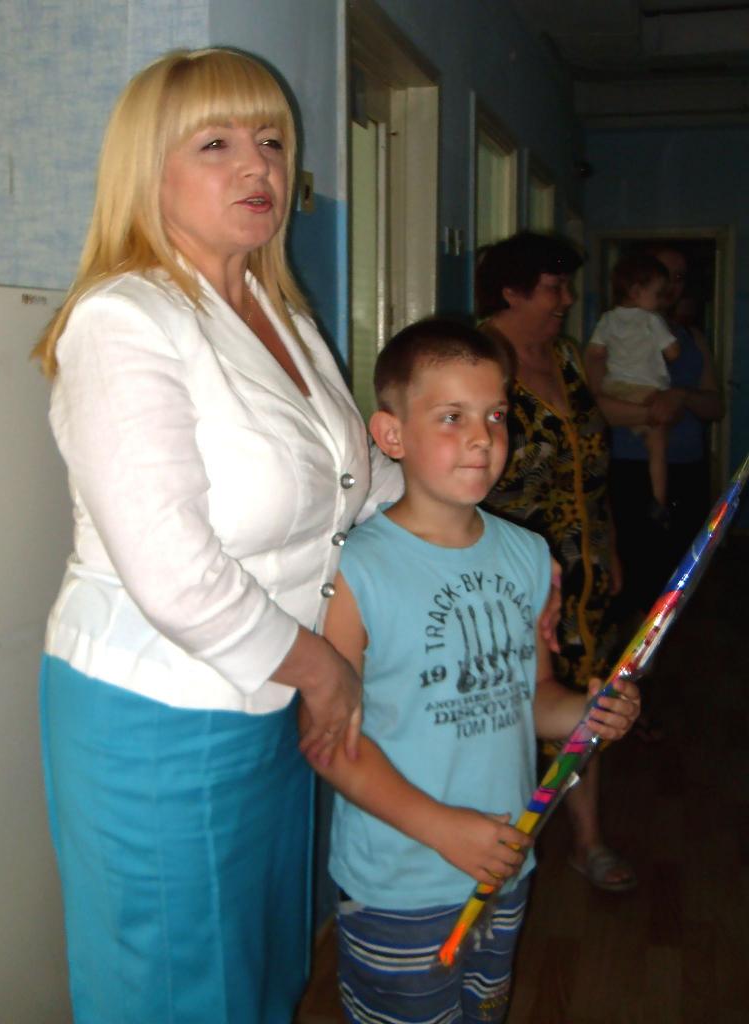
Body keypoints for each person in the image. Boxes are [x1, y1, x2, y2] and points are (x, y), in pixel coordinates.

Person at [33, 48, 401, 1024]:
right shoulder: (123, 320)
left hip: (273, 697)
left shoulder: (280, 314)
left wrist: (466, 534)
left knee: (261, 970)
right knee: (178, 990)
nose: (258, 166)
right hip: (162, 712)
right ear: (146, 171)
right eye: (217, 143)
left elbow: (354, 484)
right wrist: (326, 674)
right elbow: (176, 571)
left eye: (272, 141)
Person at [306, 319, 640, 1023]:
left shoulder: (527, 554)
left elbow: (533, 696)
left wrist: (589, 712)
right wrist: (443, 829)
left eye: (495, 415)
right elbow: (328, 743)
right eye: (451, 417)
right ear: (392, 435)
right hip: (400, 882)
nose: (483, 438)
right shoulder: (357, 570)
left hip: (504, 865)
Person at [475, 231, 637, 894]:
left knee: (586, 697)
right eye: (553, 287)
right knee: (509, 702)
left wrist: (609, 544)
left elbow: (591, 465)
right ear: (512, 292)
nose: (567, 299)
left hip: (584, 565)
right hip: (513, 572)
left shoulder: (567, 356)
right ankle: (494, 836)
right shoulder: (480, 359)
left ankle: (587, 839)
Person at [585, 244, 724, 740]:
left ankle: (655, 686)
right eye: (666, 275)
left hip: (685, 472)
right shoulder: (617, 330)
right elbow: (595, 398)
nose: (674, 286)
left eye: (681, 277)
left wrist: (681, 396)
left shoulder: (690, 338)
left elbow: (715, 407)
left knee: (674, 582)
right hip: (627, 467)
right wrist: (650, 412)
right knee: (634, 585)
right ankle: (624, 694)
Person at [586, 252, 680, 514]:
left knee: (602, 437)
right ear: (637, 291)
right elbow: (673, 353)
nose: (660, 300)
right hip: (645, 391)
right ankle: (659, 499)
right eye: (657, 294)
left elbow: (594, 352)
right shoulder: (652, 320)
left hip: (614, 389)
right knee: (657, 446)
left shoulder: (607, 319)